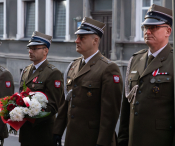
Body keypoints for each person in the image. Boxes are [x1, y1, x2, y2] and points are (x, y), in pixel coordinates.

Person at [53, 17, 123, 146]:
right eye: (77, 37)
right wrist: (57, 131)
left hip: (92, 138)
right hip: (72, 138)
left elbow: (110, 113)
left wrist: (103, 142)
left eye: (82, 37)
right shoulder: (73, 66)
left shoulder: (108, 68)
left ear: (95, 40)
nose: (76, 41)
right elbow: (66, 103)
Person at [118, 4, 174, 146]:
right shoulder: (135, 60)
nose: (147, 31)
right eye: (145, 27)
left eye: (154, 28)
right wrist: (123, 139)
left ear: (168, 31)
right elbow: (126, 107)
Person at [18, 31, 64, 146]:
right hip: (26, 132)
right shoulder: (26, 70)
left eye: (34, 48)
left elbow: (53, 106)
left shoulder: (53, 73)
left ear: (45, 51)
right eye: (29, 48)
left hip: (42, 133)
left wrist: (30, 114)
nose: (30, 51)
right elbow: (21, 96)